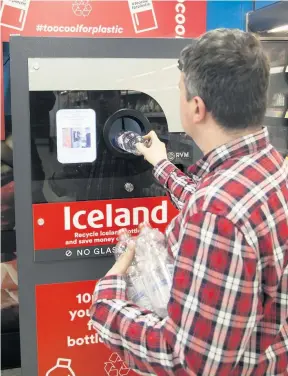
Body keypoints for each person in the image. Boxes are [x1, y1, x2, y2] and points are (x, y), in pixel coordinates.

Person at [90, 29, 288, 375]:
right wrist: (162, 165)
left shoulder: (216, 213)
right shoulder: (270, 166)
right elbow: (217, 197)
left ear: (197, 108)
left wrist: (107, 303)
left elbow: (189, 361)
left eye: (180, 92)